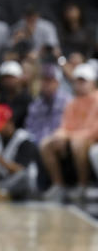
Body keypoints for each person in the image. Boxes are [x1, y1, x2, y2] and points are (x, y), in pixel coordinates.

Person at [39, 63, 98, 203]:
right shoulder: (72, 102)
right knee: (47, 143)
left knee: (77, 143)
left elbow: (94, 130)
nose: (79, 84)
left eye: (83, 81)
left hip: (90, 140)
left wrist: (69, 136)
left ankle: (82, 186)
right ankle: (58, 185)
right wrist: (60, 136)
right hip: (75, 138)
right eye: (77, 81)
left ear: (93, 82)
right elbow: (65, 126)